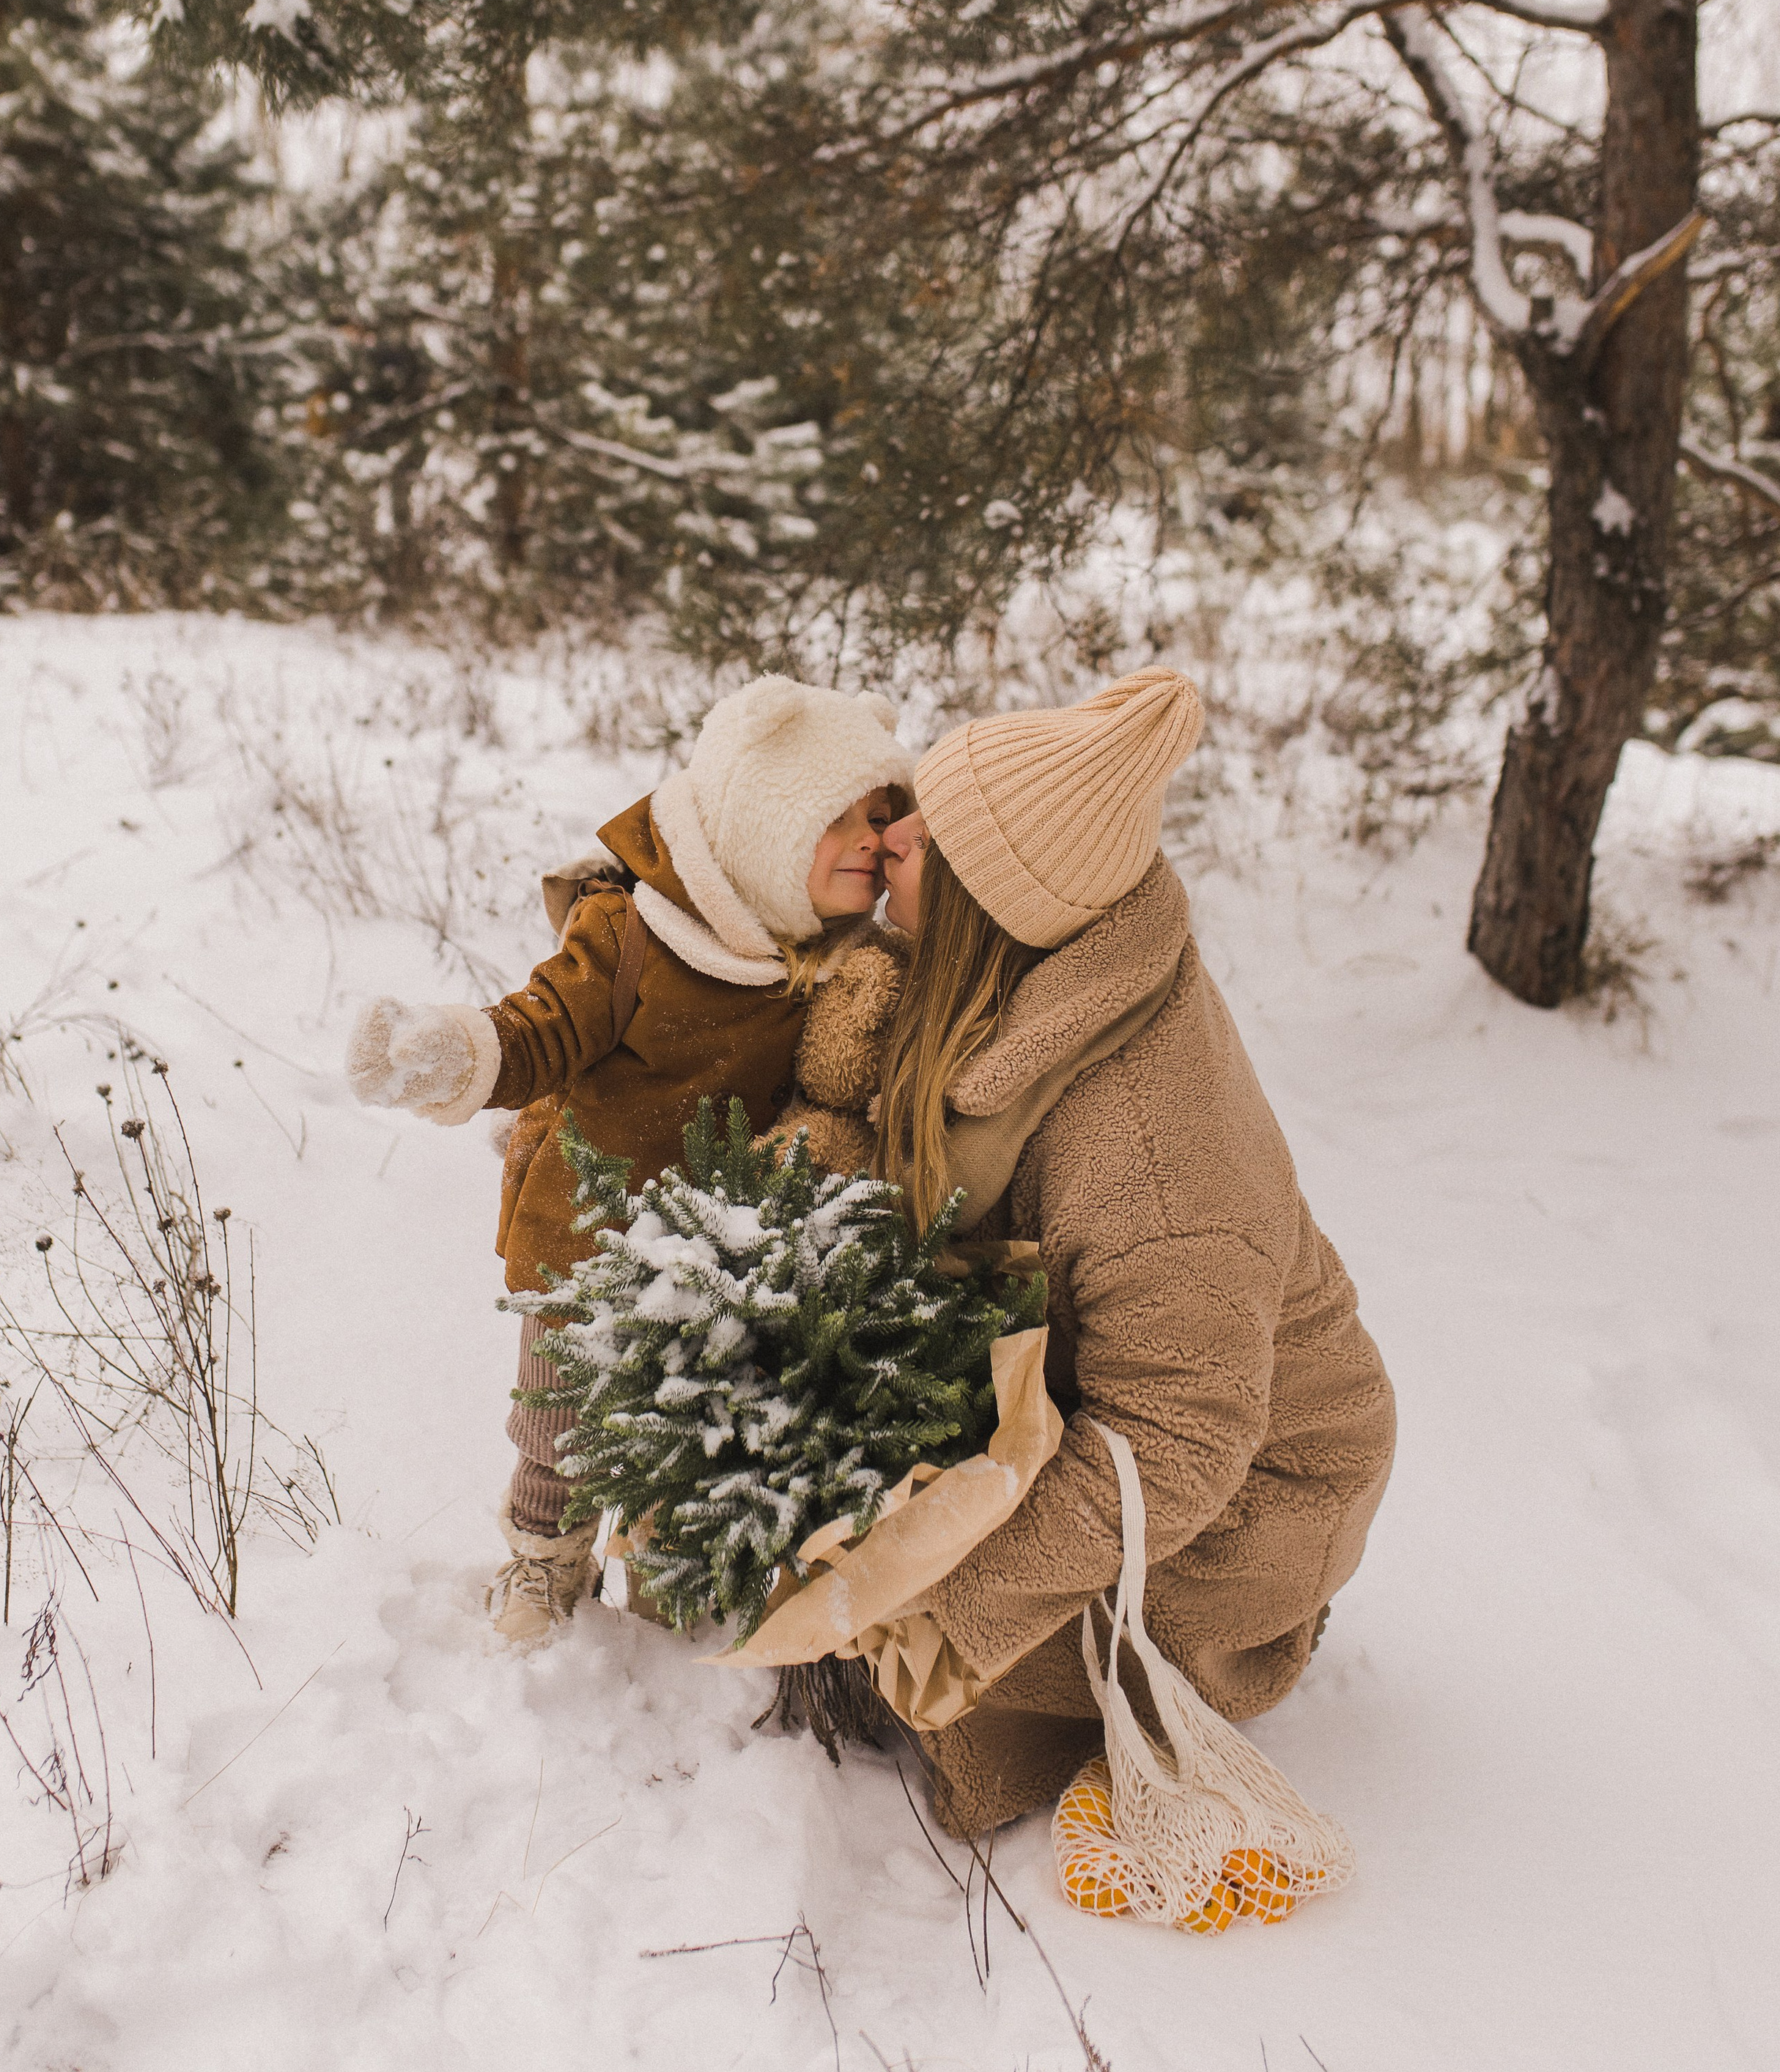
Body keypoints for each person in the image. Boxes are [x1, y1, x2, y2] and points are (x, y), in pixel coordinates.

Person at [778, 665, 1395, 1840]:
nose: (890, 832)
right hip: (1132, 1405)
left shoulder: (1153, 1154)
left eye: (927, 832)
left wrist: (956, 1596)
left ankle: (1223, 1649)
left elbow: (1176, 1439)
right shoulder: (1026, 973)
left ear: (994, 900)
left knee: (939, 1658)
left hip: (1257, 1483)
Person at [346, 675, 913, 1645]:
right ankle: (544, 1556)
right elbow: (540, 1032)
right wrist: (454, 1051)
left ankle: (665, 1574)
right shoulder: (634, 937)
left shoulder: (836, 956)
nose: (873, 836)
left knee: (696, 1417)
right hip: (590, 1237)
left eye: (885, 813)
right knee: (560, 1423)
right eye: (841, 816)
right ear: (764, 821)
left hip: (725, 1251)